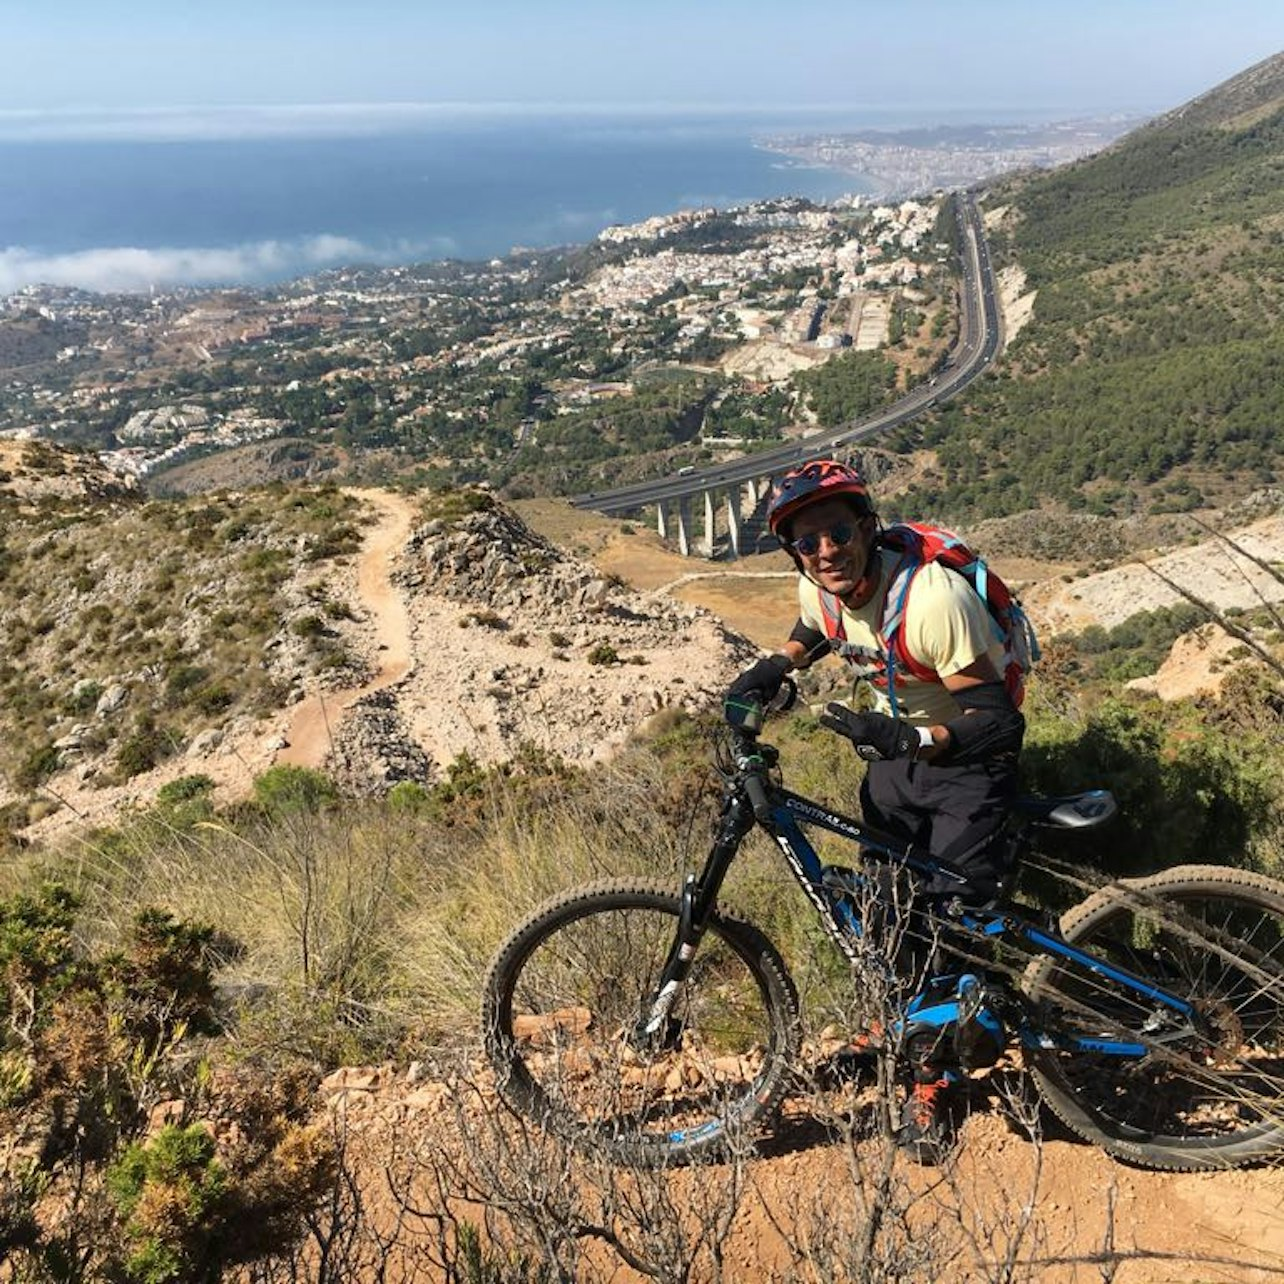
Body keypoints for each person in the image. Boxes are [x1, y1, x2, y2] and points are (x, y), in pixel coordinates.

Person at [726, 458, 1025, 1162]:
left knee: (950, 926)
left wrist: (915, 737)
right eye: (807, 541)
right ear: (794, 550)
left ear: (866, 527)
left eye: (837, 533)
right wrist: (782, 663)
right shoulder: (819, 581)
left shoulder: (931, 602)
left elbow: (998, 721)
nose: (825, 551)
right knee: (890, 903)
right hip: (894, 757)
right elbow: (821, 621)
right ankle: (900, 1019)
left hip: (966, 763)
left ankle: (937, 1077)